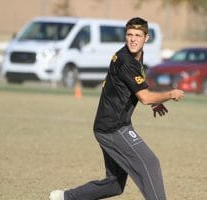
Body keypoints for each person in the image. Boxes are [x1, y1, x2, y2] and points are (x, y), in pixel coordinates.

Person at [49, 17, 184, 200]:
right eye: (129, 35)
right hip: (113, 128)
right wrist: (169, 95)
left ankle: (65, 197)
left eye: (138, 35)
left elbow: (136, 89)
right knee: (150, 163)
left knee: (115, 184)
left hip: (109, 125)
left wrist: (155, 100)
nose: (133, 39)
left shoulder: (136, 56)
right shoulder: (126, 60)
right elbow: (144, 97)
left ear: (147, 38)